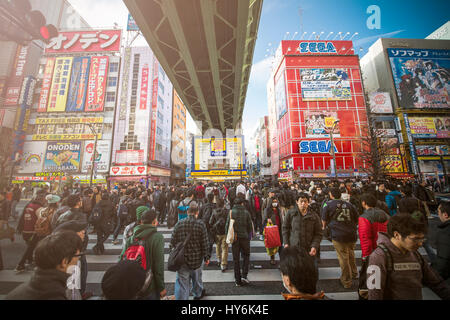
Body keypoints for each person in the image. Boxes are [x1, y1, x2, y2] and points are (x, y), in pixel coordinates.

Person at [367, 214, 450, 300]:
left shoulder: (415, 254)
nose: (420, 243)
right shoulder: (379, 256)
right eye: (415, 239)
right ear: (397, 235)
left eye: (422, 239)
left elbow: (435, 282)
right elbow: (375, 293)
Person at [5, 230, 83, 300]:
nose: (78, 260)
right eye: (77, 256)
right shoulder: (53, 295)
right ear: (64, 262)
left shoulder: (32, 286)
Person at [120, 208, 166, 300]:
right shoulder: (157, 237)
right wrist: (161, 287)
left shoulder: (132, 238)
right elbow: (158, 266)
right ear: (154, 221)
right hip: (149, 285)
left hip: (132, 283)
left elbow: (121, 258)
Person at [169, 201, 210, 300]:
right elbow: (205, 243)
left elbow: (172, 242)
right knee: (197, 278)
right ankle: (197, 293)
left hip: (182, 259)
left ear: (187, 212)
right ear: (197, 212)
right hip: (197, 259)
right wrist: (206, 257)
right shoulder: (201, 224)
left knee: (182, 282)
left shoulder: (179, 223)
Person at [321, 187, 359, 289]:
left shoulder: (328, 205)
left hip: (338, 234)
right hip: (351, 233)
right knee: (351, 253)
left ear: (331, 195)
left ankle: (346, 280)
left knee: (343, 257)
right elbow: (356, 219)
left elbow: (324, 220)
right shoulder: (350, 205)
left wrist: (324, 228)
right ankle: (354, 273)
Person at [282, 192, 323, 269]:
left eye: (305, 201)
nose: (303, 203)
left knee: (307, 268)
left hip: (308, 248)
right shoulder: (291, 213)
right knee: (294, 268)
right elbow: (285, 229)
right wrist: (286, 243)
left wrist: (314, 246)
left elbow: (318, 233)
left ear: (308, 202)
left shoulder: (314, 216)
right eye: (301, 201)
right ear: (297, 202)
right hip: (294, 247)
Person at [52, 220, 88, 300]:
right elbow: (72, 290)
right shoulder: (68, 261)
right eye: (80, 230)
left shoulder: (72, 249)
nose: (84, 232)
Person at [14, 190, 47, 273]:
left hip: (25, 231)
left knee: (30, 247)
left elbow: (22, 218)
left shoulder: (29, 205)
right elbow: (42, 220)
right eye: (44, 200)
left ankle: (29, 261)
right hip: (33, 232)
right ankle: (20, 265)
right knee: (31, 248)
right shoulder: (40, 208)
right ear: (41, 200)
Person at [226, 193, 253, 286]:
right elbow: (250, 227)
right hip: (244, 237)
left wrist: (228, 237)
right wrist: (249, 235)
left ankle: (237, 279)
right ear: (242, 204)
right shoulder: (246, 212)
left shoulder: (231, 212)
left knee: (236, 259)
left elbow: (227, 226)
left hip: (235, 238)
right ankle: (244, 276)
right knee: (246, 256)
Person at [358, 193, 390, 259]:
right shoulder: (384, 213)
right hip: (387, 247)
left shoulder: (364, 217)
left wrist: (366, 255)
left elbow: (365, 238)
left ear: (363, 203)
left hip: (374, 249)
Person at [209, 198, 229, 271]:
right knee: (224, 248)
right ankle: (223, 264)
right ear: (223, 204)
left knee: (217, 246)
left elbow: (210, 222)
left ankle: (219, 259)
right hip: (225, 231)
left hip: (217, 232)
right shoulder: (226, 211)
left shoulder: (214, 211)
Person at [432, 201, 450, 282]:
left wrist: (435, 278)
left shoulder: (445, 232)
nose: (438, 214)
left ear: (445, 215)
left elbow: (443, 258)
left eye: (438, 212)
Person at [263, 196, 283, 265]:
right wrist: (267, 219)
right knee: (272, 244)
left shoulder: (279, 209)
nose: (275, 203)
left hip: (279, 228)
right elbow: (264, 218)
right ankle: (272, 258)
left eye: (276, 202)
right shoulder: (267, 209)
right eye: (273, 202)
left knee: (280, 244)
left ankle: (281, 258)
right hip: (272, 228)